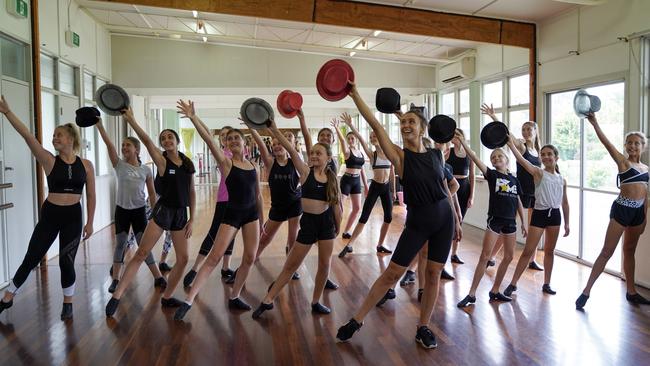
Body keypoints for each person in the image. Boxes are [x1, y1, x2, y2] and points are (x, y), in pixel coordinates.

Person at [335, 83, 461, 349]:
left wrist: (457, 220)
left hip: (444, 219)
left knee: (434, 273)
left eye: (411, 121)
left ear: (422, 127)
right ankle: (357, 320)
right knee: (392, 274)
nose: (406, 125)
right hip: (418, 222)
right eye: (403, 121)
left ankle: (423, 327)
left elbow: (446, 190)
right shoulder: (399, 157)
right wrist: (355, 93)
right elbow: (375, 124)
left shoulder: (437, 154)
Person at [0, 96, 95, 320]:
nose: (54, 139)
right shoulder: (49, 160)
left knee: (66, 260)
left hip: (74, 216)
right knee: (32, 256)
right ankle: (9, 295)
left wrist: (90, 222)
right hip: (51, 214)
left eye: (58, 135)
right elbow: (27, 136)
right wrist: (7, 112)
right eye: (53, 136)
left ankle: (68, 302)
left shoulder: (86, 165)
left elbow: (91, 195)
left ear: (71, 138)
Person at [173, 100, 264, 320]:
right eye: (229, 138)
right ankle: (189, 299)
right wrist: (194, 118)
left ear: (244, 143)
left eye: (236, 138)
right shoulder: (226, 163)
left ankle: (235, 296)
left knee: (250, 258)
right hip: (232, 213)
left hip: (252, 214)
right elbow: (208, 139)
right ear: (226, 144)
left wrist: (262, 222)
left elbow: (259, 195)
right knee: (214, 257)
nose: (233, 141)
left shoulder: (253, 165)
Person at [105, 107, 196, 317]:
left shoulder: (187, 164)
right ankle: (117, 295)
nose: (166, 140)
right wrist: (132, 119)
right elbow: (146, 140)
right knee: (141, 253)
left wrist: (192, 218)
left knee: (183, 259)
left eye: (170, 137)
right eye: (163, 138)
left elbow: (191, 191)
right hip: (163, 212)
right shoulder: (162, 161)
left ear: (177, 140)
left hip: (181, 215)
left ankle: (167, 296)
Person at [251, 120, 342, 319]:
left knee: (324, 265)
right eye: (312, 153)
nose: (314, 155)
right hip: (308, 224)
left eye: (319, 153)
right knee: (290, 265)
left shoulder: (333, 179)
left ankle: (316, 301)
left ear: (329, 157)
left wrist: (337, 229)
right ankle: (268, 299)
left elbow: (337, 207)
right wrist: (274, 129)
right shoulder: (305, 172)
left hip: (326, 226)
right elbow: (292, 150)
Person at [576, 113, 649, 309]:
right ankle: (586, 292)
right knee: (607, 251)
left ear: (643, 146)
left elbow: (646, 196)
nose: (632, 146)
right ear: (625, 146)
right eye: (629, 143)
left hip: (638, 214)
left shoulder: (646, 168)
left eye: (637, 143)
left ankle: (631, 292)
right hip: (622, 209)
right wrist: (595, 123)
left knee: (629, 251)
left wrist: (644, 218)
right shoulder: (623, 163)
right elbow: (606, 143)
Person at [455, 132, 527, 307]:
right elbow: (474, 157)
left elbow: (518, 201)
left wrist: (524, 222)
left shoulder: (514, 180)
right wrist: (464, 142)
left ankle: (495, 290)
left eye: (499, 156)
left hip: (510, 222)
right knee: (485, 256)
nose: (496, 159)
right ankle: (471, 293)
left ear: (506, 159)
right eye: (493, 157)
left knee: (509, 256)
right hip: (495, 220)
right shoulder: (492, 175)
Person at [95, 121, 166, 293]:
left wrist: (155, 214)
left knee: (143, 246)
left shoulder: (146, 170)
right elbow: (108, 144)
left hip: (139, 211)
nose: (124, 148)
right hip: (122, 211)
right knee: (120, 243)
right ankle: (116, 279)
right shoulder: (119, 165)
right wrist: (100, 126)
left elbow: (151, 193)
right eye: (123, 145)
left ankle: (158, 277)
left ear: (137, 150)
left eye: (128, 145)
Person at [502, 137, 570, 298]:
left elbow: (565, 203)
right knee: (528, 251)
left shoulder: (562, 179)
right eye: (543, 154)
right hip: (539, 214)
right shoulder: (538, 173)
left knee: (549, 251)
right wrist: (511, 145)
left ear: (556, 157)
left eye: (549, 154)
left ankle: (547, 283)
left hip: (555, 216)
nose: (546, 157)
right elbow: (522, 160)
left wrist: (567, 223)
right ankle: (513, 284)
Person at [482, 104, 544, 270]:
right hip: (518, 190)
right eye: (523, 129)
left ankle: (533, 259)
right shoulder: (522, 147)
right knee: (508, 226)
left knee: (534, 227)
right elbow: (508, 134)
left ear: (535, 131)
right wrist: (494, 118)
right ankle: (492, 256)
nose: (525, 132)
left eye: (529, 129)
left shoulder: (538, 151)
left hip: (534, 193)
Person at [183, 126, 238, 288]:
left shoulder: (242, 156)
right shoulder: (222, 154)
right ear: (222, 140)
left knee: (232, 234)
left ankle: (226, 267)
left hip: (238, 201)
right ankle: (195, 268)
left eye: (230, 135)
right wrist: (194, 118)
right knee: (214, 232)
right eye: (223, 136)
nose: (227, 138)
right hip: (224, 200)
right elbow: (207, 134)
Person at [247, 126, 302, 280]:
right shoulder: (270, 163)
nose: (277, 146)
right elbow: (261, 146)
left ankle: (291, 268)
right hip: (278, 206)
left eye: (281, 143)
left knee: (293, 237)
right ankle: (251, 259)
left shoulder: (295, 161)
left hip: (295, 204)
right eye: (275, 144)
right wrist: (252, 129)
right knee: (265, 237)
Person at [338, 113, 395, 257]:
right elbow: (361, 139)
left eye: (374, 136)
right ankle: (350, 244)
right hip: (375, 187)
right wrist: (351, 125)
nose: (371, 139)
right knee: (364, 216)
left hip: (386, 188)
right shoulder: (371, 154)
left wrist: (393, 191)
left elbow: (392, 172)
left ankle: (380, 244)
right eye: (371, 137)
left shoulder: (389, 154)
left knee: (388, 217)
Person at [298, 110, 340, 290]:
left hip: (328, 205)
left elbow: (334, 189)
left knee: (325, 249)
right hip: (312, 203)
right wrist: (302, 119)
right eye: (322, 135)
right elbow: (307, 136)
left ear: (332, 140)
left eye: (328, 135)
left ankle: (325, 276)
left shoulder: (333, 161)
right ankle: (294, 267)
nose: (324, 137)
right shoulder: (314, 155)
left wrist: (338, 212)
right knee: (308, 241)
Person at [331, 117, 369, 240]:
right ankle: (332, 228)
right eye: (349, 139)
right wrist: (337, 128)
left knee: (357, 208)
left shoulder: (360, 152)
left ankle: (346, 231)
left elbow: (362, 169)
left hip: (357, 181)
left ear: (356, 140)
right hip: (347, 180)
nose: (351, 140)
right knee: (340, 207)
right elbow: (342, 141)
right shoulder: (347, 152)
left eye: (353, 138)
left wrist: (366, 185)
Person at [445, 128, 475, 265]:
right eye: (453, 135)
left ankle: (454, 253)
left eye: (458, 135)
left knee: (460, 220)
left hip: (464, 187)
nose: (455, 138)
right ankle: (443, 254)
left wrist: (472, 195)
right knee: (450, 220)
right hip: (451, 186)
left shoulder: (470, 153)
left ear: (463, 137)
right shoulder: (448, 152)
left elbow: (472, 175)